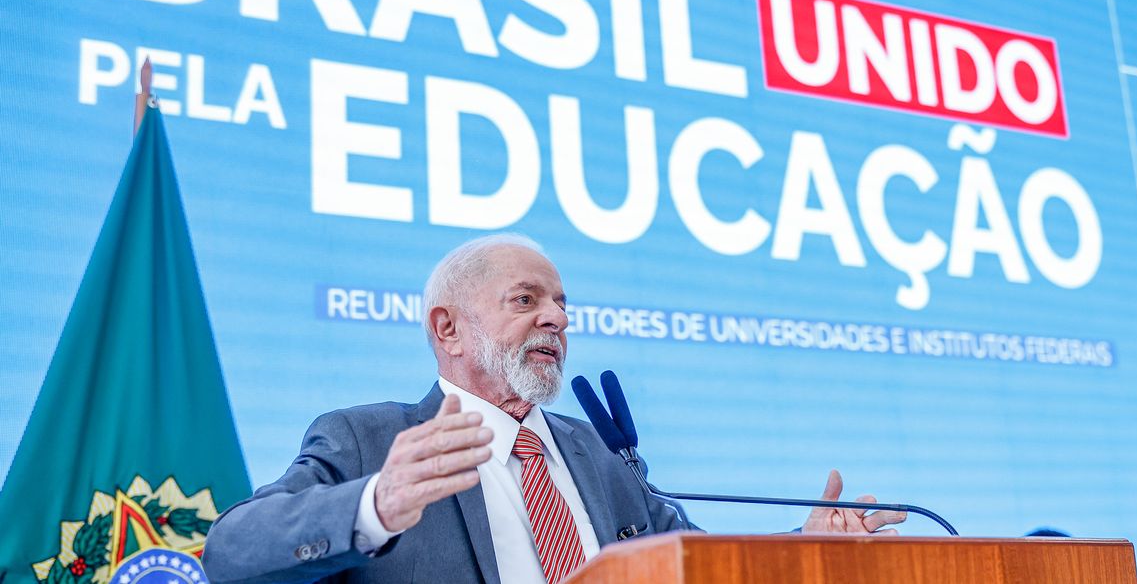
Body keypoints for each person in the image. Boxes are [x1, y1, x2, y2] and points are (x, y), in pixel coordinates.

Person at [202, 234, 905, 584]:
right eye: (526, 301)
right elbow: (231, 548)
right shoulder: (370, 439)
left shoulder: (596, 454)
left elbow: (696, 562)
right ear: (447, 329)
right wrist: (376, 504)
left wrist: (809, 544)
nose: (557, 320)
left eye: (563, 304)